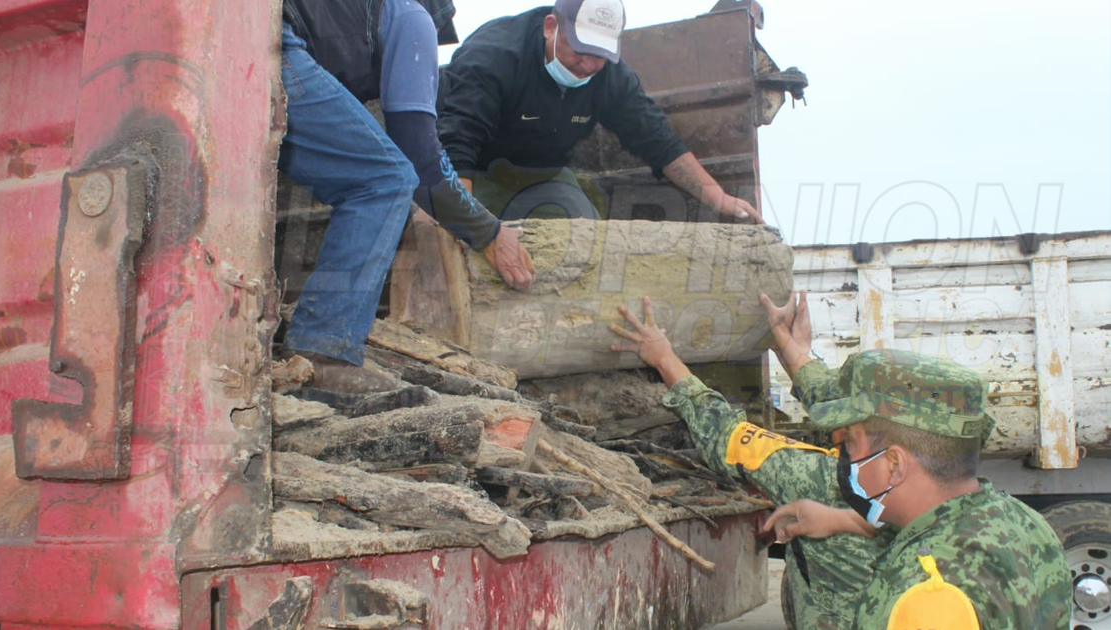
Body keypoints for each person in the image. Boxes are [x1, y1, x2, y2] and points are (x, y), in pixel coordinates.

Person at [758, 302, 1072, 629]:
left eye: (850, 442)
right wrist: (795, 349)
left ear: (894, 463)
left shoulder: (922, 593)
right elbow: (846, 401)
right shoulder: (1027, 524)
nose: (844, 452)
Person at [279, 0, 535, 386]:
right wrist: (488, 231)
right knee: (386, 180)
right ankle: (322, 353)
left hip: (244, 31)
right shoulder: (414, 15)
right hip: (272, 41)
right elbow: (419, 155)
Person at [608, 293, 885, 630]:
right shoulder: (934, 478)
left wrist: (664, 357)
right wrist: (791, 346)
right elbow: (830, 399)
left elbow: (724, 431)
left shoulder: (818, 478)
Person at [437, 0, 764, 223]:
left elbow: (659, 141)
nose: (588, 65)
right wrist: (474, 229)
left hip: (540, 175)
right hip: (469, 174)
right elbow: (455, 147)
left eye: (600, 54)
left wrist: (718, 198)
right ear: (551, 27)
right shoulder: (493, 57)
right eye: (580, 50)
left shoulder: (611, 77)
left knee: (585, 229)